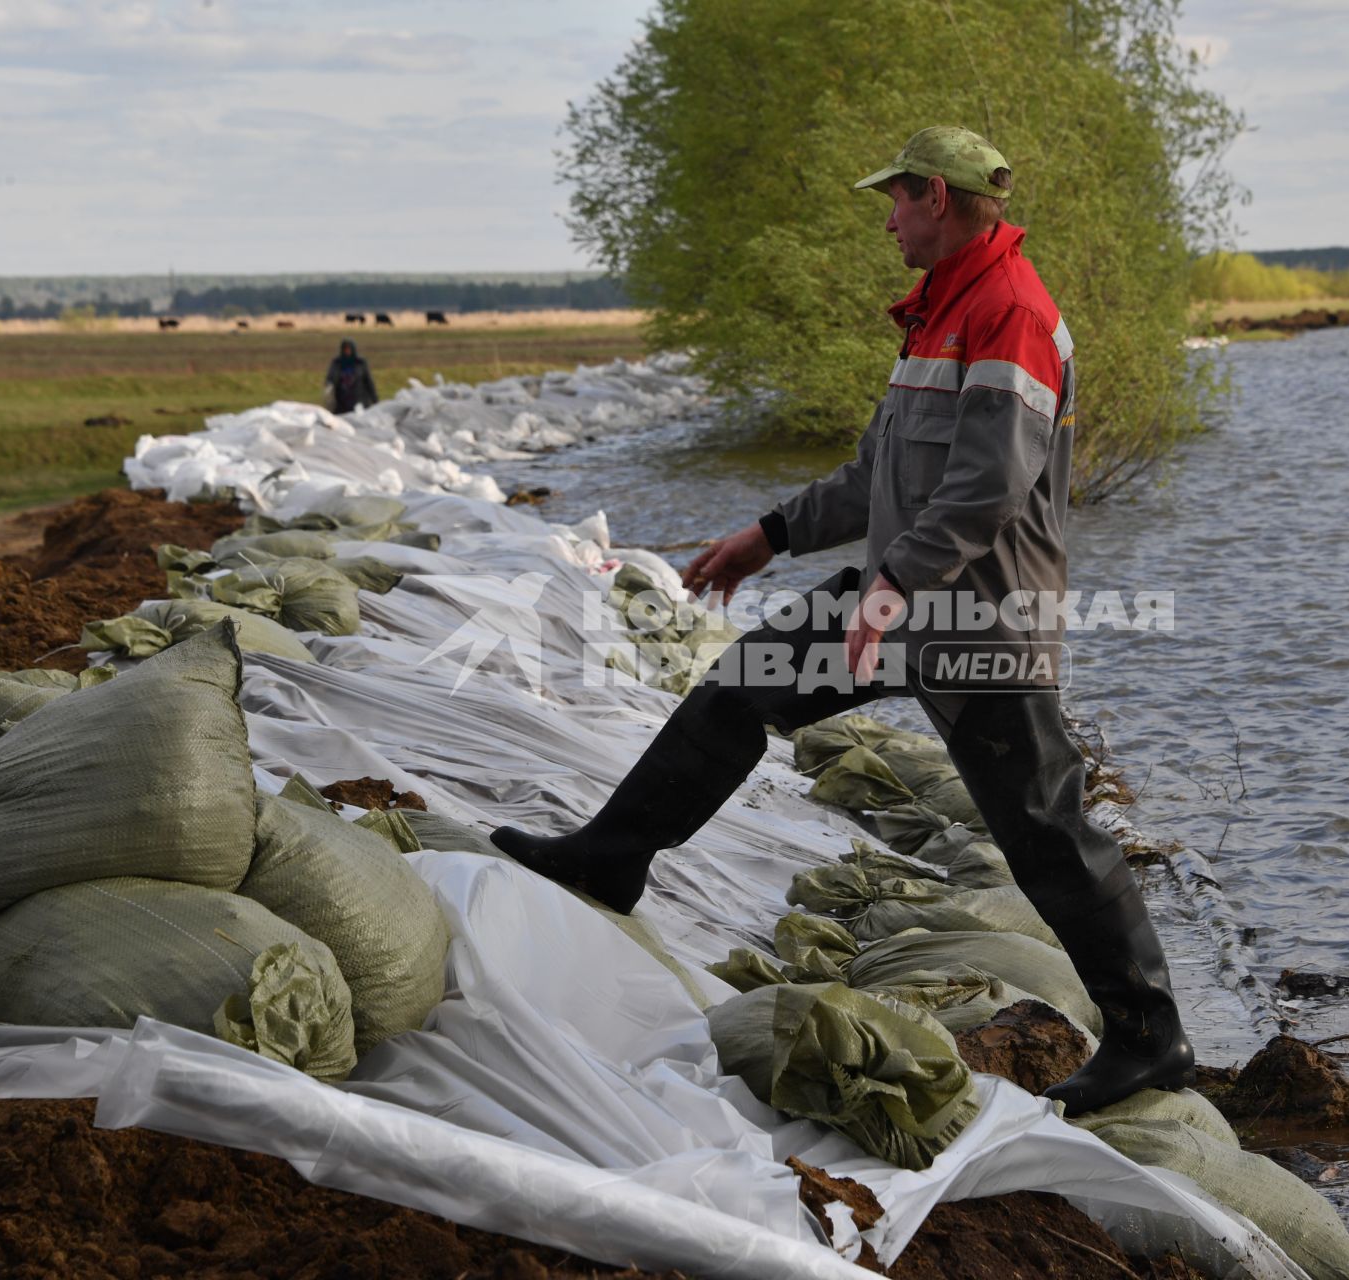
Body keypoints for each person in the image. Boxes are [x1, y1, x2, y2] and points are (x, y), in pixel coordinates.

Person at [493, 126, 1195, 1114]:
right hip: (906, 597)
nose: (889, 219)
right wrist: (769, 534)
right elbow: (880, 477)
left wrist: (890, 585)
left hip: (983, 617)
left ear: (941, 199)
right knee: (741, 685)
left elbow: (985, 491)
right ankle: (613, 856)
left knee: (1043, 825)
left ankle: (1150, 1036)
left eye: (898, 200)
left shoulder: (1011, 313)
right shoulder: (940, 314)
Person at [324, 340, 379, 414]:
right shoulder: (337, 363)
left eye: (349, 349)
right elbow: (331, 377)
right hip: (342, 402)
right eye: (345, 349)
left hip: (359, 401)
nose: (347, 351)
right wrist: (329, 386)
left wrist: (375, 400)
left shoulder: (360, 363)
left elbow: (368, 382)